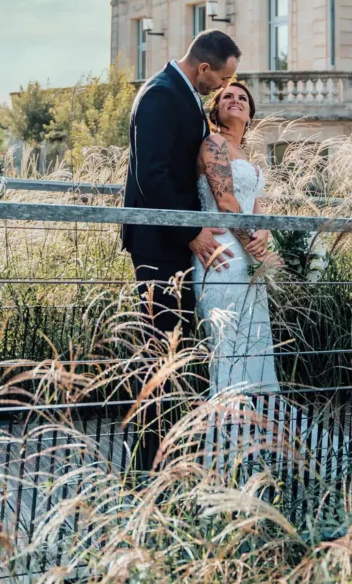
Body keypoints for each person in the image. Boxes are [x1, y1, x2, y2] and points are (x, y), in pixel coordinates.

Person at [122, 30, 242, 471]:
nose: (223, 87)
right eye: (222, 79)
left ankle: (167, 453)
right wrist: (191, 231)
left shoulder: (182, 93)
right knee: (158, 349)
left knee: (174, 348)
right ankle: (147, 463)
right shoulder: (159, 94)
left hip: (173, 243)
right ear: (204, 67)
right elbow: (151, 176)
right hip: (159, 243)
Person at [193, 81, 281, 396]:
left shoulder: (245, 155)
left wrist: (264, 231)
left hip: (248, 258)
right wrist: (258, 252)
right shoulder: (213, 143)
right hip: (222, 254)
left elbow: (254, 204)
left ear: (250, 115)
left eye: (242, 97)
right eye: (227, 96)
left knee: (254, 337)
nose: (235, 99)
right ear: (215, 111)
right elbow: (227, 202)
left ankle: (259, 412)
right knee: (227, 340)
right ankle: (228, 417)